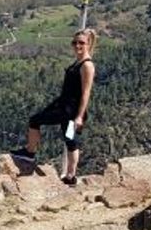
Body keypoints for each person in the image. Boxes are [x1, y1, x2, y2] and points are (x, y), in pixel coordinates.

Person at [11, 28, 97, 185]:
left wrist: (79, 116)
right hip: (64, 105)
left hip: (70, 111)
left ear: (89, 44)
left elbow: (86, 93)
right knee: (69, 139)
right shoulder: (78, 62)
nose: (77, 45)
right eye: (74, 42)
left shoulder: (87, 66)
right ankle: (70, 177)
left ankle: (30, 153)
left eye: (81, 43)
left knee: (36, 121)